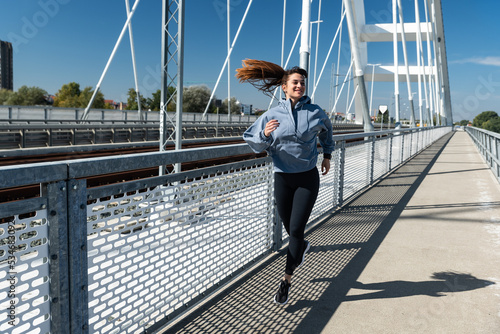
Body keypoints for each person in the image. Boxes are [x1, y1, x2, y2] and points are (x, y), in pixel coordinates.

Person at [236, 59, 335, 305]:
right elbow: (255, 143)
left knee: (296, 231)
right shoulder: (271, 114)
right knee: (290, 230)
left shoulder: (316, 112)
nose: (299, 85)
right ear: (284, 86)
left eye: (302, 82)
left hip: (306, 178)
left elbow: (328, 133)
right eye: (295, 82)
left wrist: (328, 154)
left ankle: (286, 281)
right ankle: (300, 247)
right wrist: (265, 133)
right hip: (282, 177)